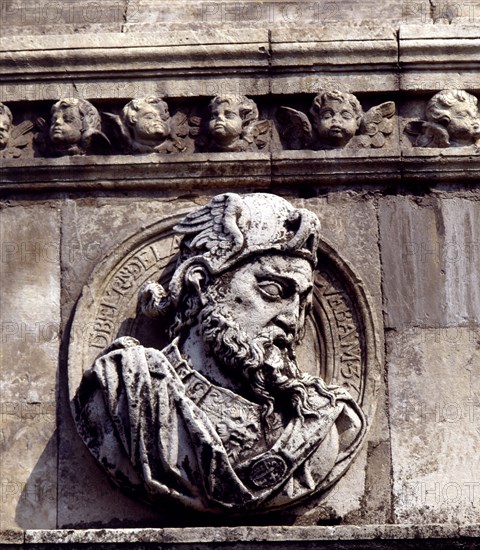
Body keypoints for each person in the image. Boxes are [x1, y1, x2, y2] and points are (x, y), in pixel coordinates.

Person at [75, 192, 366, 514]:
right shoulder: (125, 393)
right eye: (272, 291)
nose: (291, 318)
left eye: (303, 302)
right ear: (201, 283)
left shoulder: (325, 423)